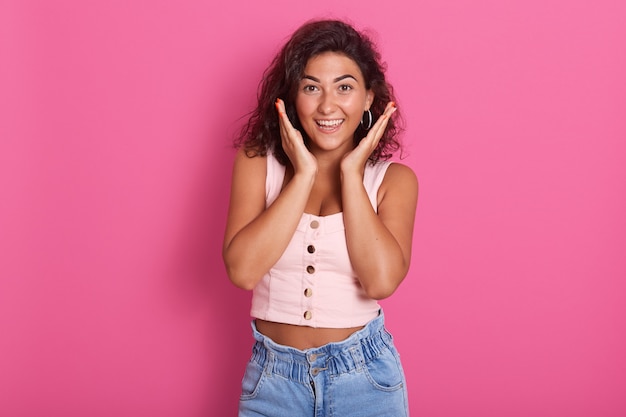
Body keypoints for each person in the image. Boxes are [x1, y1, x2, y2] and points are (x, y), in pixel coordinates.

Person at [223, 19, 418, 417]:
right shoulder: (258, 164)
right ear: (292, 97)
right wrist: (305, 174)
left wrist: (350, 172)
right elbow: (242, 271)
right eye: (311, 88)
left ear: (368, 98)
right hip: (273, 381)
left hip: (365, 379)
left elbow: (380, 281)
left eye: (344, 87)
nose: (327, 106)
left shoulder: (392, 181)